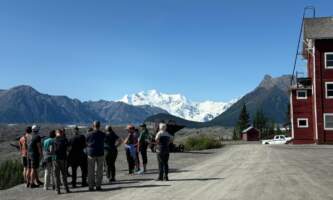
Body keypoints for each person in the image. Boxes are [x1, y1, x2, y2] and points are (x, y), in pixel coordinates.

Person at [86, 121, 106, 191]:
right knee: (99, 170)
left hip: (91, 154)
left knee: (91, 170)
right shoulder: (103, 134)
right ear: (99, 126)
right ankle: (98, 186)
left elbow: (86, 142)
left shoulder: (88, 134)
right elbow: (105, 141)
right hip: (100, 153)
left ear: (93, 126)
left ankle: (91, 186)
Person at [53, 129, 70, 194]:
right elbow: (68, 149)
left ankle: (58, 190)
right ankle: (66, 189)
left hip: (56, 159)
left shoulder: (54, 140)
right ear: (61, 133)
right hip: (64, 158)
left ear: (56, 133)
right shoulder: (65, 139)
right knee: (64, 174)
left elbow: (51, 150)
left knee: (56, 175)